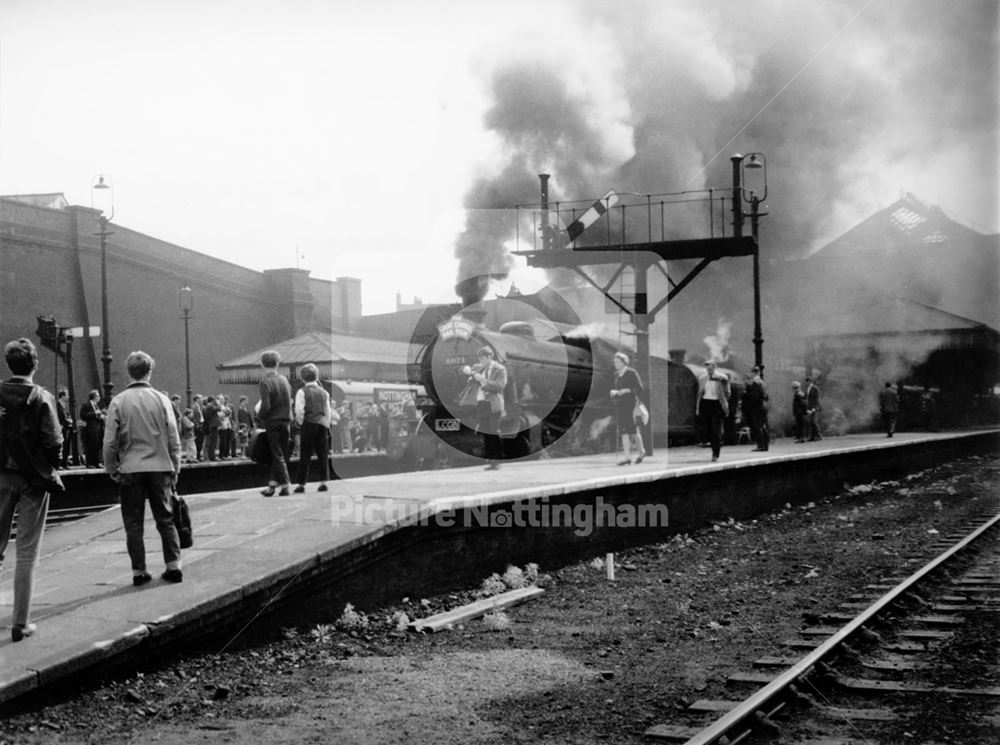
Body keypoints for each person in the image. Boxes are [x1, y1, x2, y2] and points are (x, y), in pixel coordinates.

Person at [0, 338, 64, 642]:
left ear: (9, 364)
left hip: (0, 476)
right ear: (35, 364)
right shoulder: (41, 397)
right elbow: (54, 441)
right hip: (33, 479)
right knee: (26, 552)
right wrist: (49, 464)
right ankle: (20, 623)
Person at [103, 351, 183, 586]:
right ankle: (173, 566)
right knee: (165, 519)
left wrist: (111, 467)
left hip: (130, 468)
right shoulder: (162, 399)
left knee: (133, 523)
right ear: (149, 371)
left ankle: (139, 571)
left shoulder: (118, 401)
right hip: (160, 466)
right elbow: (173, 438)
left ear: (129, 372)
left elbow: (109, 441)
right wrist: (175, 467)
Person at [461, 347, 507, 470]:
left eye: (482, 358)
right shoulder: (479, 368)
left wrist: (482, 379)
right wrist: (468, 372)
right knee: (486, 432)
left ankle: (497, 460)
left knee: (494, 431)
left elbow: (499, 386)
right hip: (482, 404)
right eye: (479, 359)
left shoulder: (499, 369)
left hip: (493, 404)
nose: (480, 361)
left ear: (489, 357)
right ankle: (491, 460)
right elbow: (467, 373)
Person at [257, 350, 293, 496]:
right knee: (280, 455)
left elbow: (265, 406)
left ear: (262, 365)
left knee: (277, 455)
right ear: (278, 364)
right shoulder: (285, 380)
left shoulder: (265, 382)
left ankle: (285, 485)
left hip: (273, 422)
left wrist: (259, 417)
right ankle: (272, 486)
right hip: (287, 421)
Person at [293, 364, 332, 493]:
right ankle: (323, 482)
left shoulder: (301, 391)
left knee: (305, 454)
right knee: (323, 454)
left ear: (303, 378)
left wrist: (300, 422)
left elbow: (299, 410)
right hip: (322, 424)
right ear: (317, 376)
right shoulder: (324, 392)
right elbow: (328, 411)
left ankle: (302, 484)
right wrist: (326, 424)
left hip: (308, 424)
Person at [609, 351, 646, 465]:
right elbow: (617, 388)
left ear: (624, 362)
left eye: (617, 362)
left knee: (633, 431)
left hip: (630, 405)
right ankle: (627, 458)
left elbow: (640, 388)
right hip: (621, 405)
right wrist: (614, 392)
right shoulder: (616, 374)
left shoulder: (631, 372)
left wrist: (628, 390)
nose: (615, 364)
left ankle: (641, 452)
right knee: (623, 431)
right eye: (614, 362)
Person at [696, 361, 731, 462]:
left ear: (715, 367)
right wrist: (697, 408)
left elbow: (728, 392)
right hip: (706, 403)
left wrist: (724, 402)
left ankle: (715, 452)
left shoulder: (722, 377)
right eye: (707, 368)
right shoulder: (702, 378)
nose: (709, 370)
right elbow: (699, 394)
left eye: (710, 368)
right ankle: (711, 445)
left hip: (717, 404)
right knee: (708, 427)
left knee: (715, 429)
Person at [743, 366, 770, 452]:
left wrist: (750, 406)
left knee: (758, 426)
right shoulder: (763, 382)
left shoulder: (755, 383)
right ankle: (766, 445)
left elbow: (755, 397)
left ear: (753, 372)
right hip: (763, 406)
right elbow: (766, 396)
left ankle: (760, 445)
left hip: (757, 408)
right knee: (764, 426)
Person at [80, 389, 104, 467]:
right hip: (89, 430)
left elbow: (97, 417)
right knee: (90, 446)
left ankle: (96, 463)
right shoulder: (86, 405)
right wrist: (94, 413)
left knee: (96, 446)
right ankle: (89, 463)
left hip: (96, 430)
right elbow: (83, 416)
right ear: (94, 397)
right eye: (98, 396)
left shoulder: (96, 406)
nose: (99, 397)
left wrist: (101, 417)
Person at [56, 387, 76, 468]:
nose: (68, 397)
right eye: (67, 395)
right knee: (61, 446)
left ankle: (64, 463)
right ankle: (59, 464)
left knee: (66, 446)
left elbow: (67, 415)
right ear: (62, 396)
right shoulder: (57, 405)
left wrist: (70, 419)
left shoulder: (65, 406)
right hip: (61, 429)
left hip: (67, 429)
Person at [804, 376, 822, 441]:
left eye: (807, 381)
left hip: (814, 407)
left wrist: (814, 408)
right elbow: (805, 397)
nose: (806, 383)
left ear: (810, 381)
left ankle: (819, 436)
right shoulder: (807, 388)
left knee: (813, 422)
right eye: (806, 382)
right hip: (809, 407)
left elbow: (816, 399)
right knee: (810, 422)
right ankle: (812, 437)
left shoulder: (815, 388)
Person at [191, 394, 205, 461]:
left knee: (200, 442)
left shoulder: (199, 407)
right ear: (196, 399)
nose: (201, 400)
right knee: (198, 441)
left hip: (201, 425)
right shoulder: (194, 407)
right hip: (198, 426)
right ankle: (197, 456)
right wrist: (197, 425)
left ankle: (199, 456)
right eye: (200, 398)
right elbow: (193, 417)